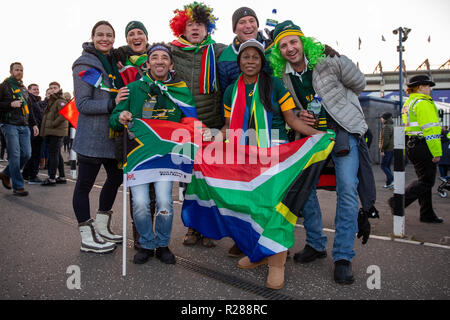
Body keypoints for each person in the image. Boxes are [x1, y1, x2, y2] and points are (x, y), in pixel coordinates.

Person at [269, 21, 371, 284]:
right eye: (283, 45)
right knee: (305, 190)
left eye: (293, 42)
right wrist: (301, 113)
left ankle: (343, 256)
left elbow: (359, 84)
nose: (290, 48)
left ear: (304, 42)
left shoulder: (328, 62)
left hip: (343, 131)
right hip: (311, 136)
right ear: (278, 51)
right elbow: (289, 109)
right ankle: (315, 244)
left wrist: (340, 65)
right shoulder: (282, 76)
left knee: (348, 188)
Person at [219, 39, 321, 290]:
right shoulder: (231, 90)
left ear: (262, 61)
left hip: (275, 154)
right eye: (246, 57)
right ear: (239, 61)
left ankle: (277, 264)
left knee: (275, 210)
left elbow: (291, 119)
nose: (250, 61)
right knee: (253, 208)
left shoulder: (274, 85)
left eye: (255, 57)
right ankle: (260, 253)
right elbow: (227, 126)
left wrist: (316, 136)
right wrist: (209, 138)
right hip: (244, 155)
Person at [110, 43, 197, 265]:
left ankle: (162, 244)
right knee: (139, 203)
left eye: (164, 58)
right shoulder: (133, 88)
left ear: (171, 63)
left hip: (167, 157)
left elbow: (189, 121)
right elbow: (114, 117)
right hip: (140, 156)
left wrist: (198, 129)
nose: (160, 61)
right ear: (147, 63)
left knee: (165, 203)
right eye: (155, 57)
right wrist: (121, 117)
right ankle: (147, 244)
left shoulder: (180, 89)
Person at [169, 2, 226, 247]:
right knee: (187, 180)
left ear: (207, 28)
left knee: (211, 181)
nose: (195, 28)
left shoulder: (220, 50)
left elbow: (250, 50)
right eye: (190, 24)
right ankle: (192, 228)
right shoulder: (171, 50)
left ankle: (209, 229)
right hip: (184, 126)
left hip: (212, 126)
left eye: (200, 24)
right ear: (182, 27)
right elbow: (144, 55)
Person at [72, 20, 128, 253]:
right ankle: (87, 236)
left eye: (109, 35)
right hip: (93, 137)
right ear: (92, 37)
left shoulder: (114, 63)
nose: (105, 38)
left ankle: (102, 226)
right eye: (100, 35)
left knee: (116, 178)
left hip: (113, 136)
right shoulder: (85, 63)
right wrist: (112, 102)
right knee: (84, 185)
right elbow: (83, 104)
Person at [113, 20, 156, 251]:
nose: (136, 36)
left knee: (157, 190)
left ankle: (156, 236)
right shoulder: (119, 61)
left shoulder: (159, 58)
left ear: (147, 38)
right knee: (138, 189)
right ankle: (140, 237)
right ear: (127, 39)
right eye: (131, 33)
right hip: (132, 132)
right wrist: (117, 100)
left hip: (156, 132)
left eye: (140, 32)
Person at [389, 75, 443, 223]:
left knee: (424, 181)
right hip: (424, 145)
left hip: (413, 145)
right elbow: (431, 130)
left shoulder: (409, 103)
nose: (430, 89)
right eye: (428, 86)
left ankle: (427, 214)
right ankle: (398, 202)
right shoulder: (423, 103)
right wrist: (436, 152)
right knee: (426, 182)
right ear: (420, 87)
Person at [0, 62, 39, 196]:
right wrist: (10, 104)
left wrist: (34, 124)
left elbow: (30, 109)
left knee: (27, 154)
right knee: (15, 155)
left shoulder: (23, 88)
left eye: (21, 70)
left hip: (24, 125)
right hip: (9, 124)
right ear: (11, 71)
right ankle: (18, 186)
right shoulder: (4, 86)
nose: (19, 72)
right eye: (17, 70)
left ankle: (5, 174)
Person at [218, 7, 271, 97]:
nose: (248, 26)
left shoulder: (272, 50)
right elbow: (224, 94)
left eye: (252, 21)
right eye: (242, 22)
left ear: (257, 25)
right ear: (234, 29)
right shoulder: (225, 56)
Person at [40, 81, 68, 186]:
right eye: (50, 88)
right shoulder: (53, 101)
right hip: (52, 131)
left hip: (56, 131)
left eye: (54, 88)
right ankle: (62, 176)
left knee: (53, 155)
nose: (52, 89)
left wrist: (53, 123)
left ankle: (52, 178)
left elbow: (64, 114)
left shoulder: (60, 101)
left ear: (59, 89)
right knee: (57, 154)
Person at [22, 83, 44, 184]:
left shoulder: (35, 100)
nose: (36, 91)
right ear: (29, 90)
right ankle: (32, 175)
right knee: (35, 154)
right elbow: (32, 116)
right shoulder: (30, 100)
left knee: (32, 154)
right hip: (34, 131)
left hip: (34, 130)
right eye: (34, 89)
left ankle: (26, 174)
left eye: (37, 89)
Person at [379, 112, 394, 189]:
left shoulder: (386, 127)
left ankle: (392, 180)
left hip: (387, 150)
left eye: (382, 118)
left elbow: (385, 140)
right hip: (391, 149)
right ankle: (389, 183)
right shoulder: (392, 126)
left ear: (385, 118)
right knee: (387, 166)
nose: (381, 119)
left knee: (383, 166)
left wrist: (382, 150)